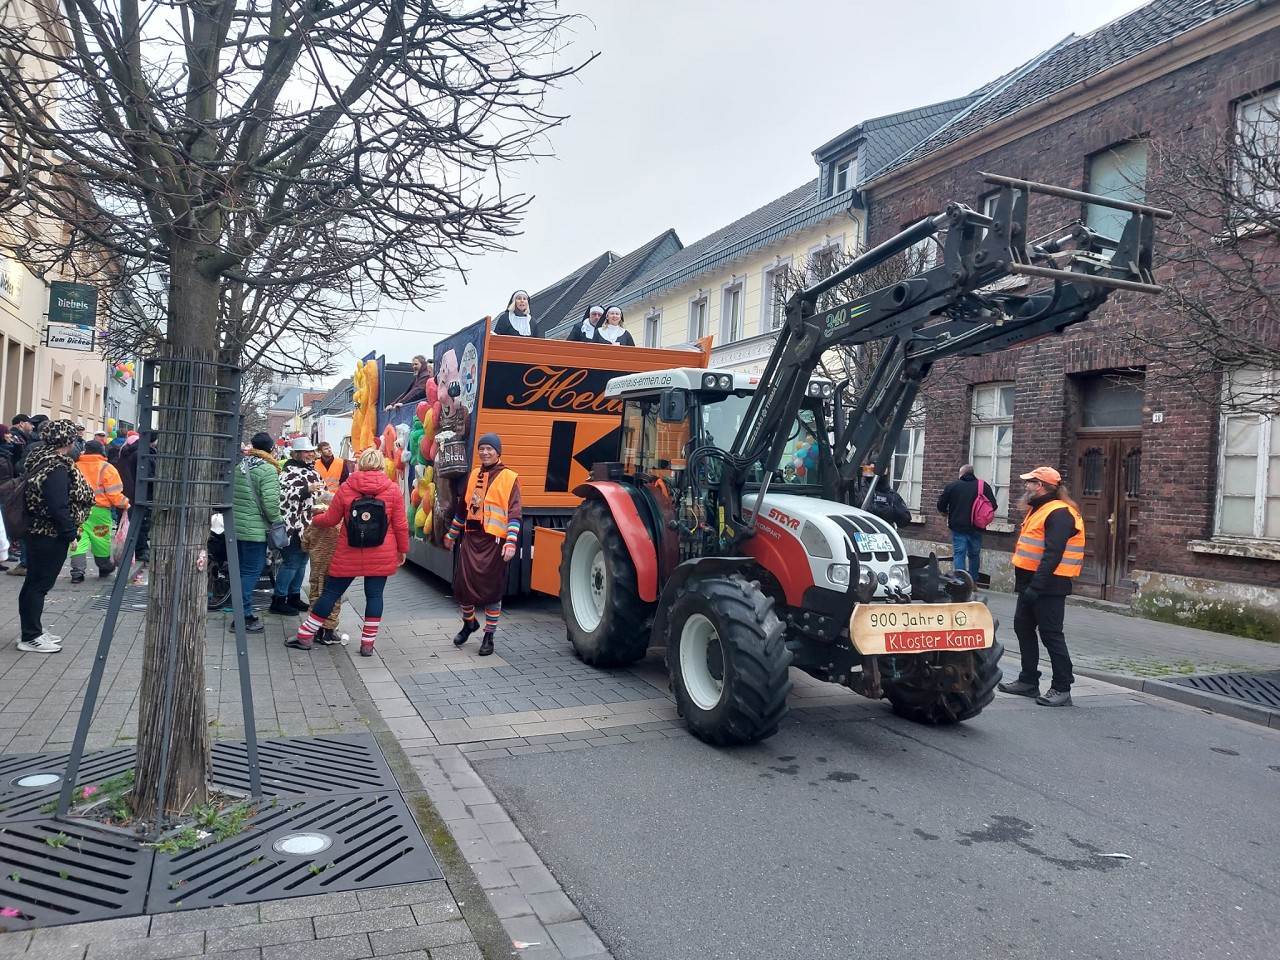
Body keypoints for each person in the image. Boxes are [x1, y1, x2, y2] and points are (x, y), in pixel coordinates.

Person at [289, 447, 408, 656]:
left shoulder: (347, 488)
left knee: (331, 593)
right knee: (375, 596)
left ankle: (305, 635)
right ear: (381, 465)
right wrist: (402, 550)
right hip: (381, 551)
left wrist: (314, 519)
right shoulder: (392, 489)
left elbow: (330, 519)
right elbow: (400, 525)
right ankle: (367, 645)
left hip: (349, 551)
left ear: (360, 465)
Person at [997, 465, 1086, 708]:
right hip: (1032, 583)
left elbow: (1053, 553)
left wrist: (1036, 587)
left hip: (1050, 584)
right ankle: (1028, 680)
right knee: (1023, 628)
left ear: (1040, 486)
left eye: (1029, 482)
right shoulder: (1039, 509)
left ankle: (1062, 687)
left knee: (1051, 634)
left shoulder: (1060, 513)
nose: (1025, 485)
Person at [17, 420, 93, 653]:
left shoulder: (39, 457)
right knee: (39, 585)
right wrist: (70, 533)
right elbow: (58, 504)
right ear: (68, 440)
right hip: (48, 533)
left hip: (36, 530)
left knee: (33, 583)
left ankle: (34, 630)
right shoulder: (56, 467)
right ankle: (31, 636)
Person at [444, 433, 522, 657]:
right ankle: (469, 623)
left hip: (493, 543)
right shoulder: (473, 475)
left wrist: (511, 542)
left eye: (489, 449)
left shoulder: (509, 478)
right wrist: (451, 534)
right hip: (471, 540)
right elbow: (463, 510)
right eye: (482, 448)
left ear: (498, 452)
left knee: (491, 592)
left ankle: (489, 636)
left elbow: (515, 514)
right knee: (462, 587)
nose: (485, 452)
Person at [231, 432, 282, 634]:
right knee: (251, 572)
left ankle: (240, 613)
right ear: (270, 449)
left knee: (241, 571)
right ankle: (242, 616)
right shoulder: (268, 469)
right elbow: (270, 504)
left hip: (237, 527)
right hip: (255, 530)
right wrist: (278, 521)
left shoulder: (241, 466)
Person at [302, 441, 348, 645]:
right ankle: (329, 630)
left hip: (317, 566)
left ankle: (314, 628)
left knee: (315, 594)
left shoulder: (314, 523)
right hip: (335, 566)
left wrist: (310, 548)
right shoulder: (340, 525)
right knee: (334, 597)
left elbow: (305, 543)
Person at [271, 436, 320, 616]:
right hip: (293, 526)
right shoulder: (289, 471)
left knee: (302, 563)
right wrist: (307, 489)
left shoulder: (311, 470)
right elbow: (283, 495)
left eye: (311, 451)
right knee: (292, 562)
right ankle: (278, 599)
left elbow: (319, 492)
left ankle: (293, 596)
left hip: (309, 525)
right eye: (306, 452)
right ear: (297, 454)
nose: (310, 454)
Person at [69, 439, 128, 583]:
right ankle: (104, 566)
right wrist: (125, 504)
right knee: (101, 539)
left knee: (79, 539)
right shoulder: (107, 468)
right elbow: (114, 494)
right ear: (101, 451)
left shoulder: (74, 466)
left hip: (77, 509)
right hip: (99, 510)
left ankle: (77, 573)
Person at [936, 463, 999, 581]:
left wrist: (946, 512)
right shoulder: (983, 486)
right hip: (977, 527)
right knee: (974, 555)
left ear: (961, 474)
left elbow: (940, 505)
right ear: (973, 473)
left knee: (959, 554)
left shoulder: (953, 486)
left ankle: (961, 582)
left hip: (958, 527)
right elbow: (993, 506)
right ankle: (973, 581)